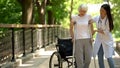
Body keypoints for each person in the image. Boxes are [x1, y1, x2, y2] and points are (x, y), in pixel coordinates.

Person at [93, 4, 115, 68]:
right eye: (100, 10)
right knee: (100, 58)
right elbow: (90, 21)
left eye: (102, 11)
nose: (101, 12)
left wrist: (96, 30)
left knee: (109, 58)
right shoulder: (97, 17)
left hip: (107, 41)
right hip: (99, 41)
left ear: (106, 11)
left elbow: (106, 32)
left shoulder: (108, 20)